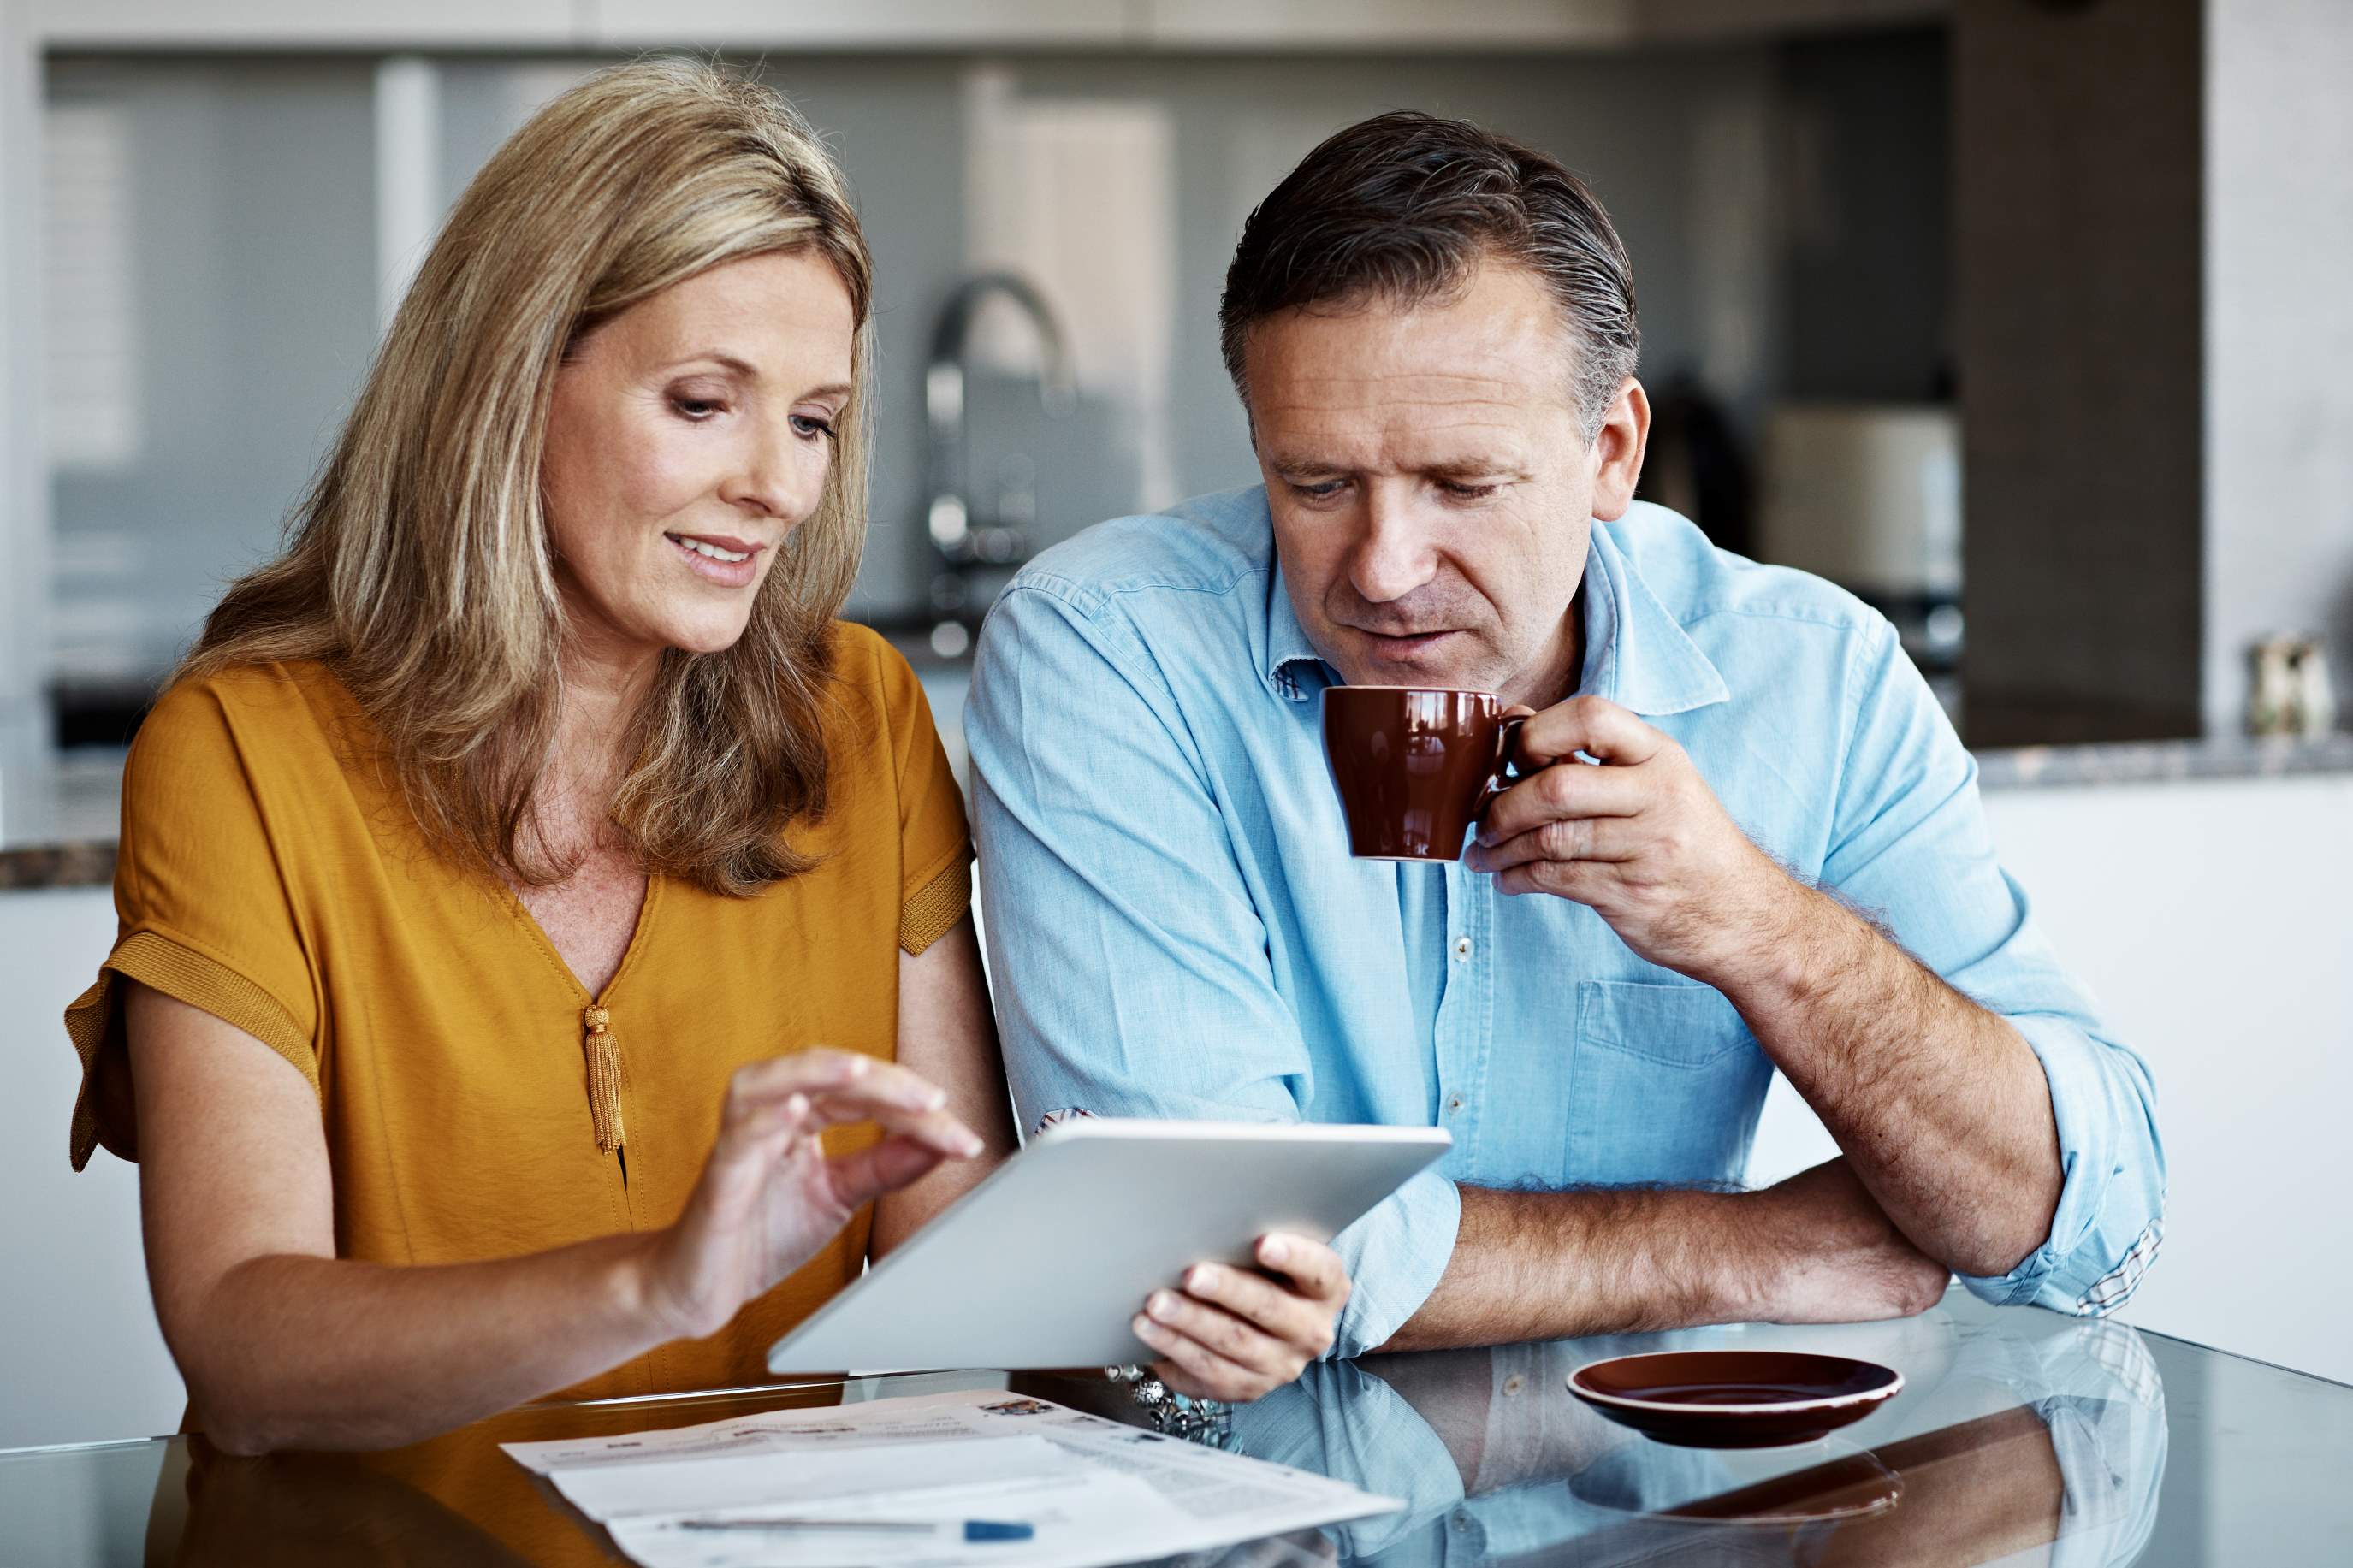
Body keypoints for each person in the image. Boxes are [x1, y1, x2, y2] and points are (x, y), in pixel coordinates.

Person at [62, 59, 1347, 1456]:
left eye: (811, 420)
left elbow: (958, 1274)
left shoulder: (855, 716)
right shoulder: (241, 751)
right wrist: (661, 1280)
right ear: (509, 380)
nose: (781, 486)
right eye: (700, 402)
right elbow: (248, 1350)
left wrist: (1174, 1330)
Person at [967, 111, 2166, 1360]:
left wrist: (1755, 927)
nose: (1382, 569)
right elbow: (1180, 1246)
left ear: (1610, 452)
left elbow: (2074, 1216)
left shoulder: (1812, 674)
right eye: (1316, 484)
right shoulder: (1108, 646)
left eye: (1461, 485)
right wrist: (1726, 1248)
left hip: (1655, 1504)